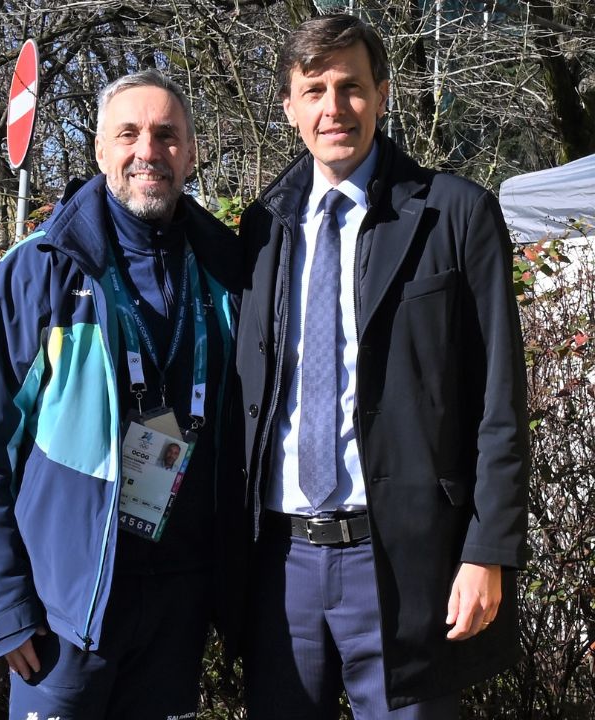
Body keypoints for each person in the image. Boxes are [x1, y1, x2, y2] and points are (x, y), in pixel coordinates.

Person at [236, 14, 529, 718]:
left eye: (352, 87)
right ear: (289, 107)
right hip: (281, 566)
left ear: (384, 94)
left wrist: (488, 549)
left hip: (402, 562)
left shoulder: (456, 214)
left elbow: (500, 400)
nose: (333, 108)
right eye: (314, 90)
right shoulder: (260, 229)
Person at [0, 69, 244, 718]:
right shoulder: (41, 266)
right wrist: (1, 607)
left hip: (180, 604)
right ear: (101, 150)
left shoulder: (227, 267)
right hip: (65, 612)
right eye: (128, 133)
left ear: (190, 153)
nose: (148, 150)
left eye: (167, 135)